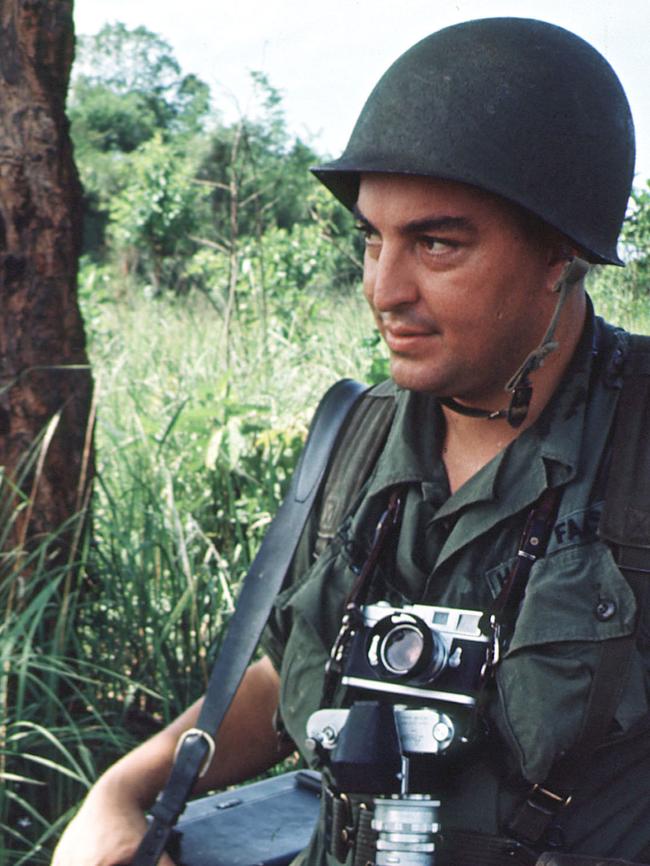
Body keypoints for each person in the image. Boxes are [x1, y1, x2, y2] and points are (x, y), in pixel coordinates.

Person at [53, 16, 647, 866]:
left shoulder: (637, 439)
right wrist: (126, 790)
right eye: (372, 238)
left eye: (436, 243)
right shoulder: (354, 439)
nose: (384, 289)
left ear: (561, 251)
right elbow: (281, 672)